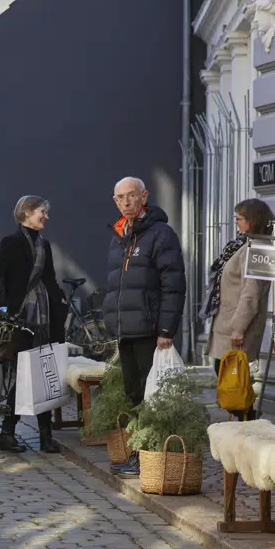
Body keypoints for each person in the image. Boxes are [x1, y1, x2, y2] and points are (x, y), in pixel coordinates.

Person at [0, 195, 67, 453]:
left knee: (44, 372)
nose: (46, 217)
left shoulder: (44, 245)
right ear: (27, 212)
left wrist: (60, 301)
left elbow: (49, 279)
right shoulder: (11, 243)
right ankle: (7, 432)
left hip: (45, 318)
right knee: (25, 375)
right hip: (18, 317)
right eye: (42, 211)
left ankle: (44, 436)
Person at [102, 176, 186, 476]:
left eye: (131, 196)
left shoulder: (161, 234)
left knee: (152, 396)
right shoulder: (119, 235)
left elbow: (173, 284)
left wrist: (166, 329)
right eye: (120, 197)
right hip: (126, 329)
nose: (126, 202)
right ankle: (141, 454)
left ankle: (148, 456)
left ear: (144, 197)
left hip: (149, 329)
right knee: (134, 393)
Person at [203, 199, 275, 416]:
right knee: (227, 373)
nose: (236, 222)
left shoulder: (258, 248)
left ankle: (248, 417)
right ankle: (246, 417)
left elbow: (251, 292)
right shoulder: (242, 245)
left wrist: (239, 327)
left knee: (234, 376)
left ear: (253, 221)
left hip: (236, 323)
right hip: (225, 320)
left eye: (240, 219)